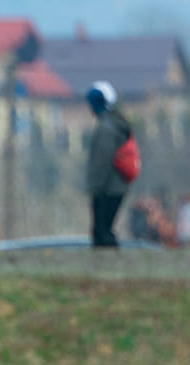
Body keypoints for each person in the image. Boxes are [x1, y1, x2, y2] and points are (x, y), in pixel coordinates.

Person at [86, 81, 131, 248]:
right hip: (117, 186)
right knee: (104, 230)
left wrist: (95, 186)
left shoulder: (106, 127)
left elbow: (102, 161)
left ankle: (108, 264)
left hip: (106, 188)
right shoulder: (116, 124)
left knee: (102, 232)